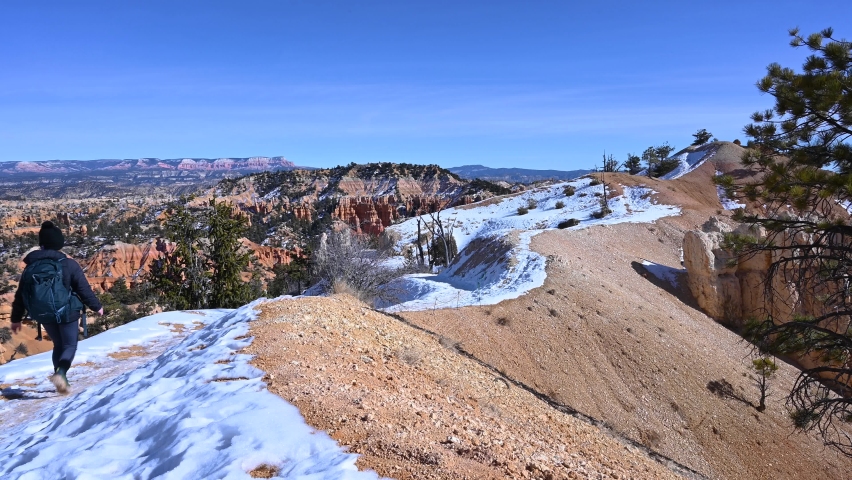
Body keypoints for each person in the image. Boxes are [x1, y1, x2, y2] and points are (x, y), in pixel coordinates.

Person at [10, 221, 103, 394]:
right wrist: (97, 306)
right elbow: (83, 289)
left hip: (43, 314)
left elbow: (20, 295)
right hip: (67, 312)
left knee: (58, 345)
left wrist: (16, 319)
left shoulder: (30, 267)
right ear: (59, 244)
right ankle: (61, 373)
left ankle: (60, 378)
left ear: (42, 244)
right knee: (70, 345)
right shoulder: (68, 264)